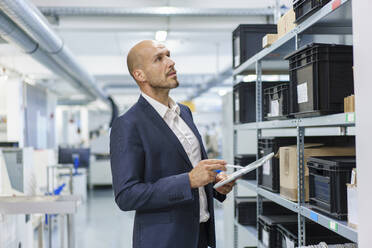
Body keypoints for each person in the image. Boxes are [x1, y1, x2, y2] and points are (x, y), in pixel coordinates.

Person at [110, 40, 236, 248]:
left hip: (201, 235)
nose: (171, 62)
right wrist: (188, 181)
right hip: (165, 240)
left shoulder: (184, 112)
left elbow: (191, 168)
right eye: (159, 59)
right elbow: (126, 195)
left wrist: (216, 183)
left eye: (168, 55)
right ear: (139, 75)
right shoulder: (128, 124)